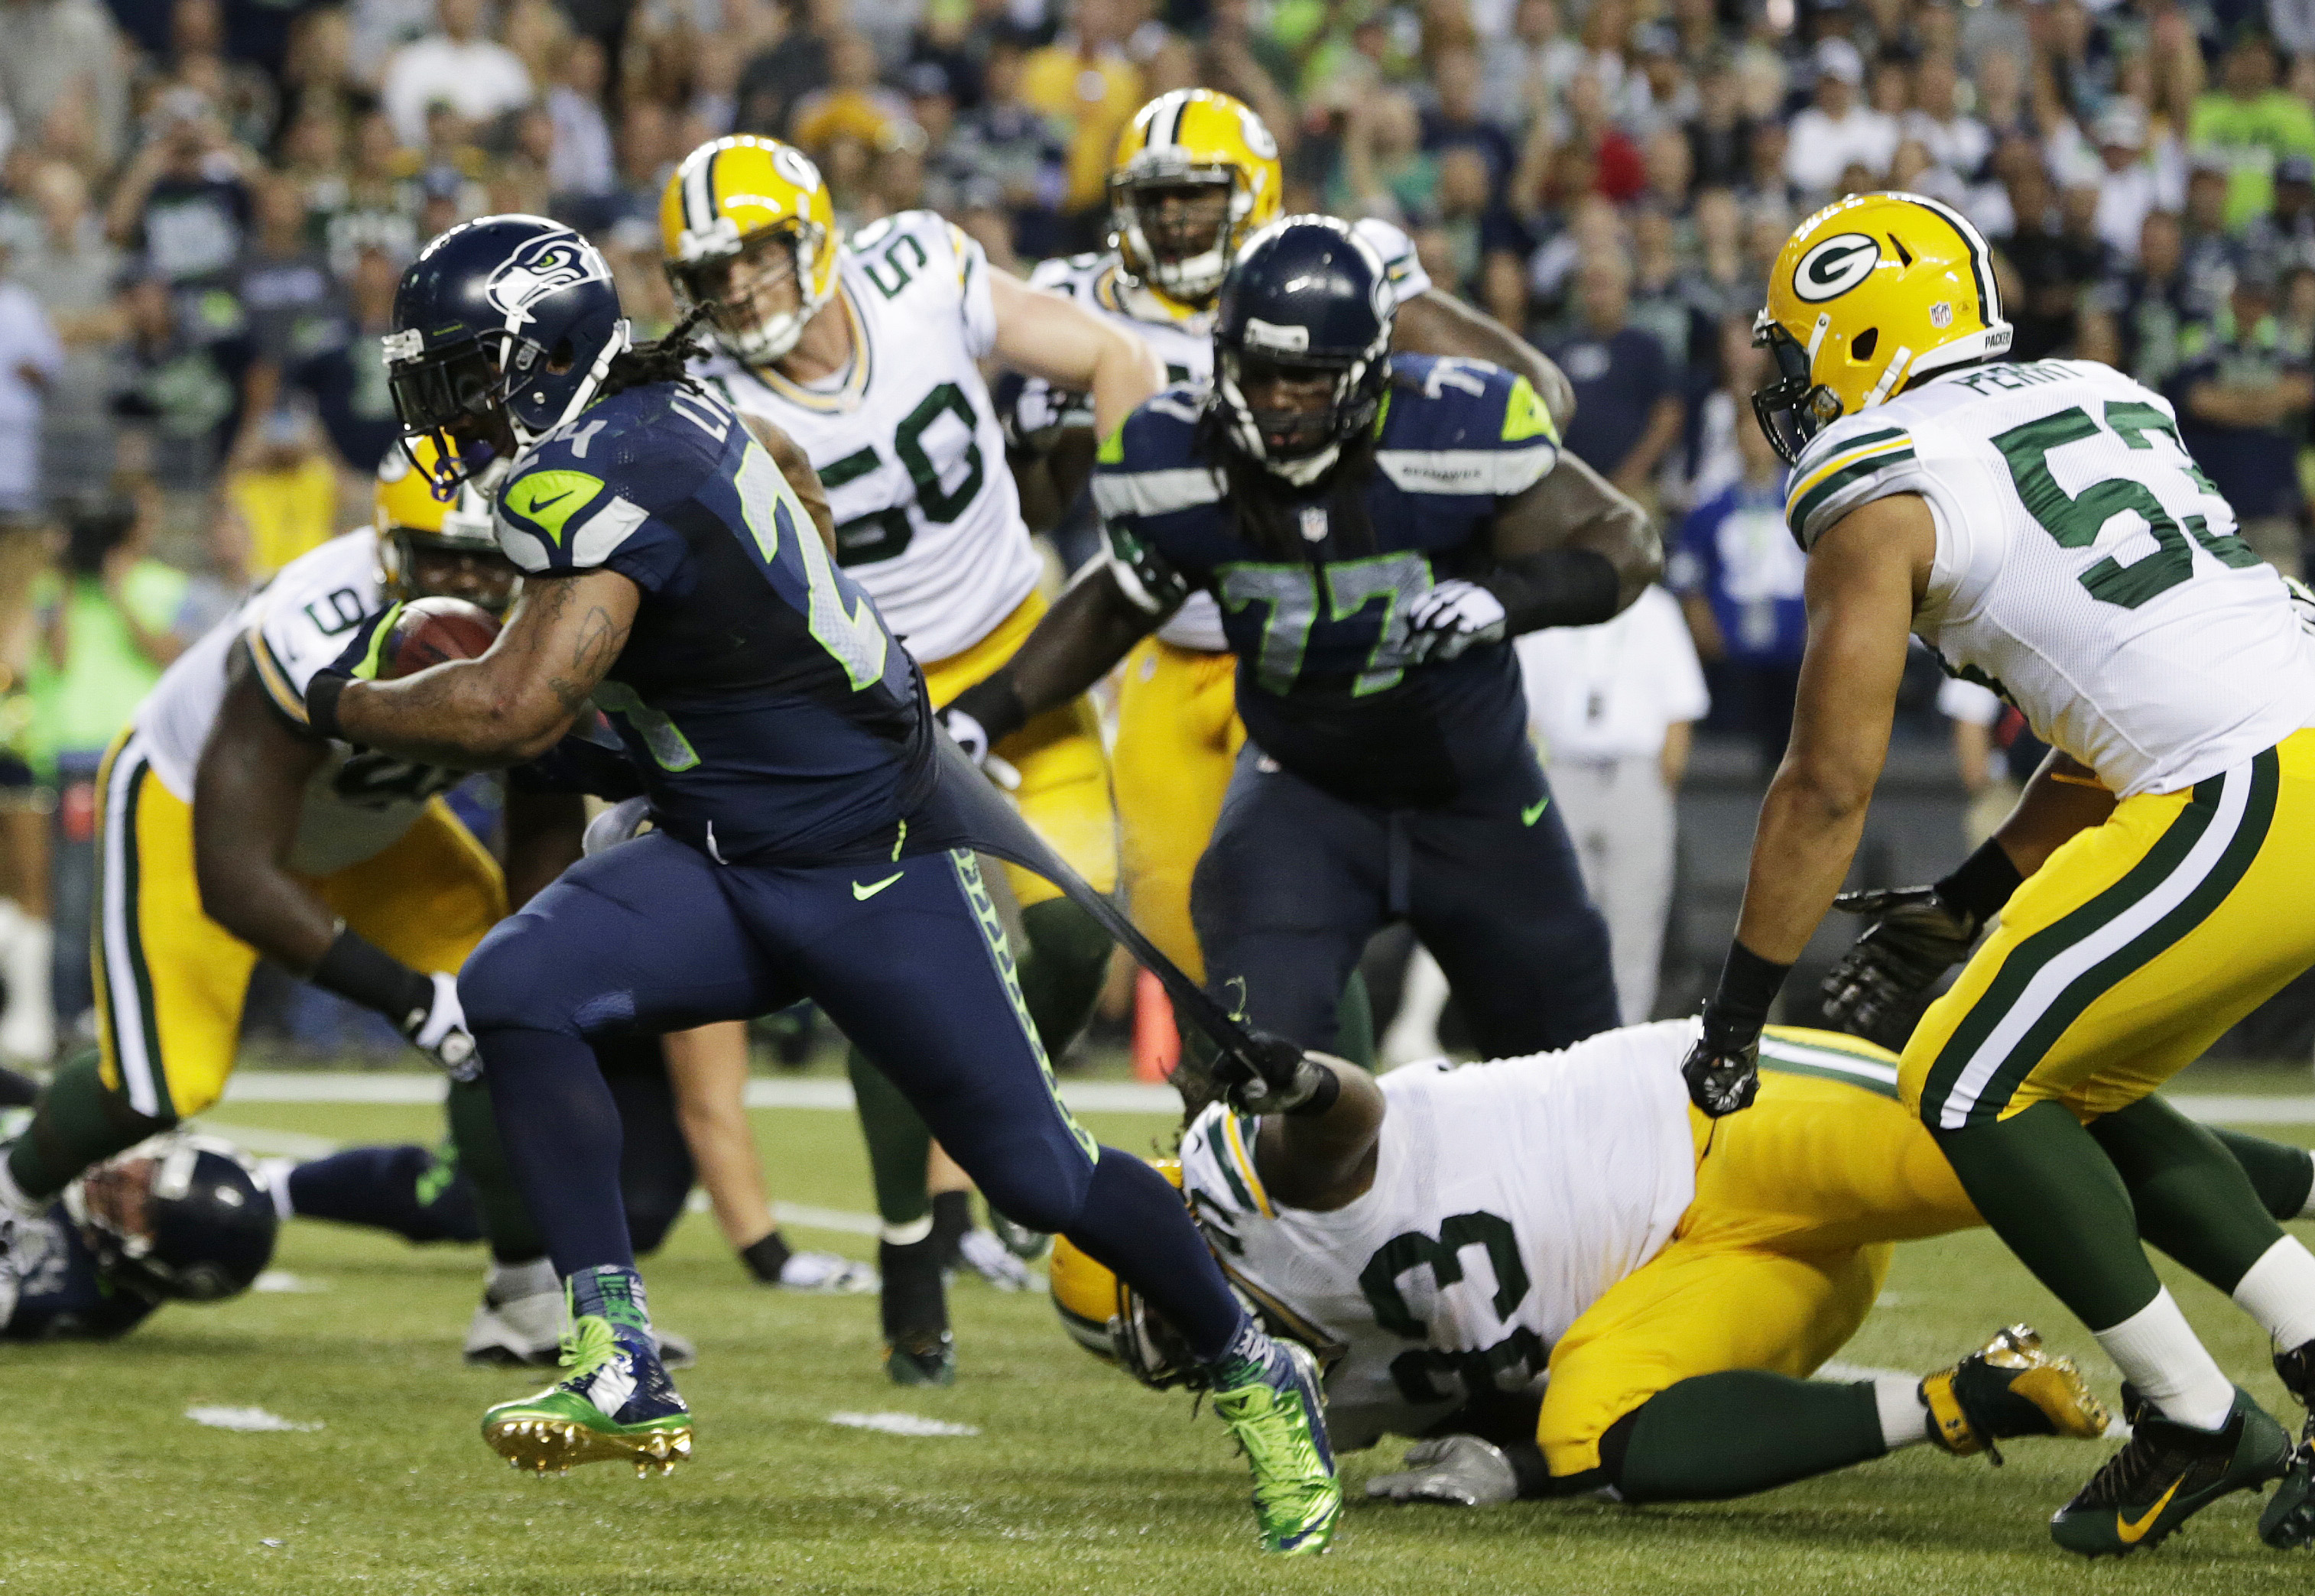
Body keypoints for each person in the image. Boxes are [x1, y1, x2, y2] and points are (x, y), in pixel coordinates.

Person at [322, 215, 1341, 1556]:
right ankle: (619, 1352)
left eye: (464, 371)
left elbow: (517, 710)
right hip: (724, 837)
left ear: (538, 357)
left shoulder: (602, 464)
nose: (445, 403)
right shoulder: (656, 406)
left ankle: (1251, 1365)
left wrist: (345, 699)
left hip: (866, 860)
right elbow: (785, 479)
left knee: (1037, 1170)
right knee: (517, 984)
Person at [1687, 190, 2315, 1558]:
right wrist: (1971, 894)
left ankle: (2194, 1413)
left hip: (2247, 779)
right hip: (2254, 757)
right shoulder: (2092, 389)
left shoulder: (1879, 471)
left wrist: (1735, 1009)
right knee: (2065, 1077)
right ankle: (2288, 1342)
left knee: (1961, 1079)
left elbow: (1824, 779)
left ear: (1854, 340)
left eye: (1797, 355)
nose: (1786, 390)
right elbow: (2107, 713)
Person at [658, 133, 1160, 1385]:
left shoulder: (920, 269)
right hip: (871, 702)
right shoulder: (711, 404)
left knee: (1072, 939)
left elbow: (1112, 352)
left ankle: (963, 1172)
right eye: (711, 274)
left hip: (1021, 664)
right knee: (896, 978)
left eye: (756, 257)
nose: (740, 292)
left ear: (812, 233)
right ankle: (913, 1249)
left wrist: (1146, 518)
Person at [1050, 1022, 2315, 1511]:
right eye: (1172, 1366)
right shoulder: (1341, 1393)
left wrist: (1301, 1076)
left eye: (1176, 1332)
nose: (1210, 1365)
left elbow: (1346, 1119)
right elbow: (1516, 1419)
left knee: (2016, 1134)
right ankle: (1967, 1396)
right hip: (1706, 1276)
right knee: (1604, 1439)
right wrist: (1499, 1460)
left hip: (1719, 1125)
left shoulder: (1243, 1174)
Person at [943, 216, 1655, 1073]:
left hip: (1475, 791)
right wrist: (983, 714)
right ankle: (1263, 1192)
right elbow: (1122, 599)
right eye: (1258, 372)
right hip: (1303, 789)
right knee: (1259, 1059)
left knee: (1578, 1071)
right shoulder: (1175, 452)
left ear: (1366, 374)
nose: (1277, 399)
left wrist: (1503, 601)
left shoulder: (1452, 431)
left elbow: (1624, 544)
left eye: (1306, 380)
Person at [1007, 89, 1577, 1019]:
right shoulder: (1078, 303)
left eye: (1196, 196)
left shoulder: (1339, 270)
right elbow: (1039, 505)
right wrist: (1034, 440)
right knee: (1190, 954)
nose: (1176, 221)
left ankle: (1339, 1144)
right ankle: (1231, 1156)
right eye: (1156, 201)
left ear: (1258, 193)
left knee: (1296, 924)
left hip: (1315, 641)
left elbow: (1536, 399)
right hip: (1165, 643)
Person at [1514, 583, 1708, 1022]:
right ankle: (1565, 1037)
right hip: (1560, 771)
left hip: (1636, 772)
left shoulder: (1656, 609)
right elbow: (1522, 710)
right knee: (1560, 917)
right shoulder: (1547, 603)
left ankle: (1626, 1034)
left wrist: (1661, 786)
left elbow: (1681, 706)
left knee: (1636, 918)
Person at [1, 1127, 278, 1341]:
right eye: (150, 1168)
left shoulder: (59, 1286)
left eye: (144, 1206)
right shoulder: (87, 1126)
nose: (127, 1177)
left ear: (157, 1263)